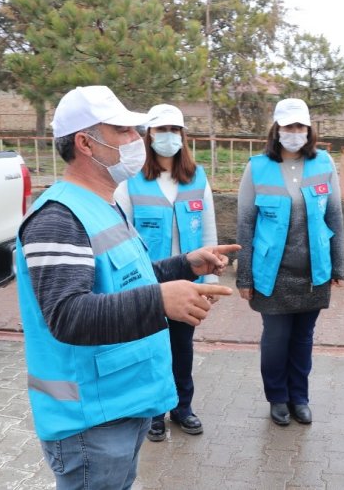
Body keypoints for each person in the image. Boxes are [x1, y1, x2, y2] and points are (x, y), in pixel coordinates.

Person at [16, 85, 238, 489]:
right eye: (125, 131)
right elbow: (67, 315)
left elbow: (125, 276)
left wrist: (184, 265)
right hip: (90, 418)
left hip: (121, 403)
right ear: (86, 142)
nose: (139, 140)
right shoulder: (57, 218)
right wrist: (160, 301)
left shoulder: (105, 204)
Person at [236, 98, 344, 426]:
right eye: (288, 126)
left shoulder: (324, 162)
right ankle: (278, 397)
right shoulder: (257, 167)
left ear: (309, 129)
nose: (294, 132)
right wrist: (244, 276)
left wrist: (338, 266)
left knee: (303, 340)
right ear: (277, 129)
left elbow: (335, 215)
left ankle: (300, 397)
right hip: (272, 274)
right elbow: (245, 224)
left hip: (314, 272)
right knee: (275, 341)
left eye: (300, 126)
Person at [114, 104, 217, 442]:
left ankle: (182, 408)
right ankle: (154, 412)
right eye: (161, 130)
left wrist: (211, 281)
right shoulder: (131, 181)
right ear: (149, 135)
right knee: (152, 350)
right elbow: (120, 234)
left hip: (188, 283)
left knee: (182, 349)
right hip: (148, 285)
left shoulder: (196, 177)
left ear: (182, 136)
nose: (168, 137)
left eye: (175, 130)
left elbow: (208, 231)